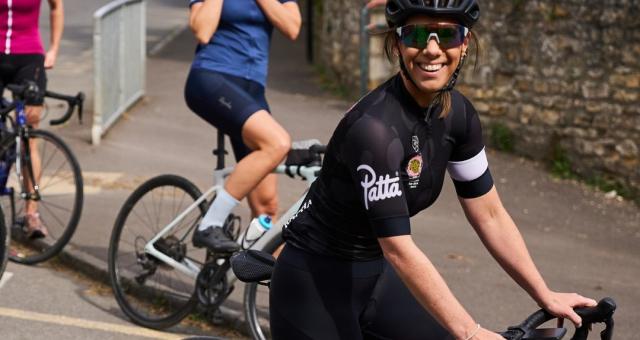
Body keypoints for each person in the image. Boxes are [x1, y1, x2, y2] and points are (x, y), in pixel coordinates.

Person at [270, 1, 597, 339]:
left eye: (447, 35)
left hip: (377, 278)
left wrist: (545, 294)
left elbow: (490, 214)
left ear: (465, 43)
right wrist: (470, 331)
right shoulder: (375, 130)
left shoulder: (459, 116)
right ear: (397, 44)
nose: (431, 49)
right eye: (416, 34)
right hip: (314, 287)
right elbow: (399, 248)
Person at [184, 0, 301, 252]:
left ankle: (257, 282)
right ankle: (210, 223)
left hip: (252, 92)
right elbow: (202, 31)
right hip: (211, 78)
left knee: (267, 208)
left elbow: (292, 27)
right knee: (277, 143)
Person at [0, 0, 64, 238]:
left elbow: (56, 7)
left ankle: (31, 215)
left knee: (29, 135)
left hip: (28, 58)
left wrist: (54, 49)